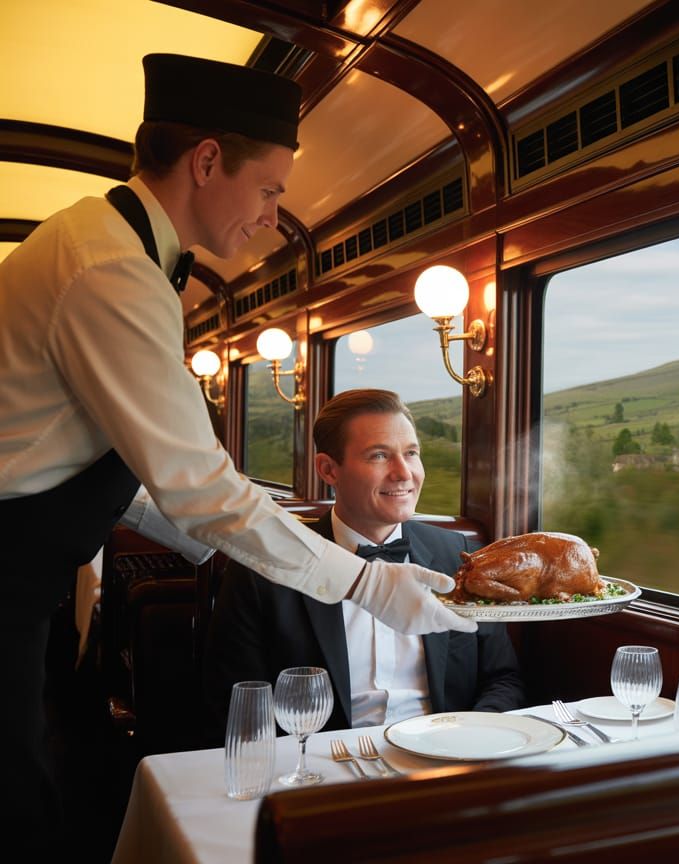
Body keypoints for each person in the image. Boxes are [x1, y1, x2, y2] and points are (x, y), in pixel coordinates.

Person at [0, 54, 472, 844]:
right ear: (208, 160)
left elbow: (138, 483)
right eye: (271, 191)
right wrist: (367, 585)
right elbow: (203, 490)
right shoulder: (110, 268)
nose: (272, 217)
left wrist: (221, 546)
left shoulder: (111, 250)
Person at [203, 389, 526, 741]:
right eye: (379, 456)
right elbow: (237, 703)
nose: (404, 473)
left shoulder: (460, 557)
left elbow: (503, 680)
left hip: (445, 765)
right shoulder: (263, 568)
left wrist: (468, 740)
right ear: (328, 469)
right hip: (324, 772)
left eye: (412, 454)